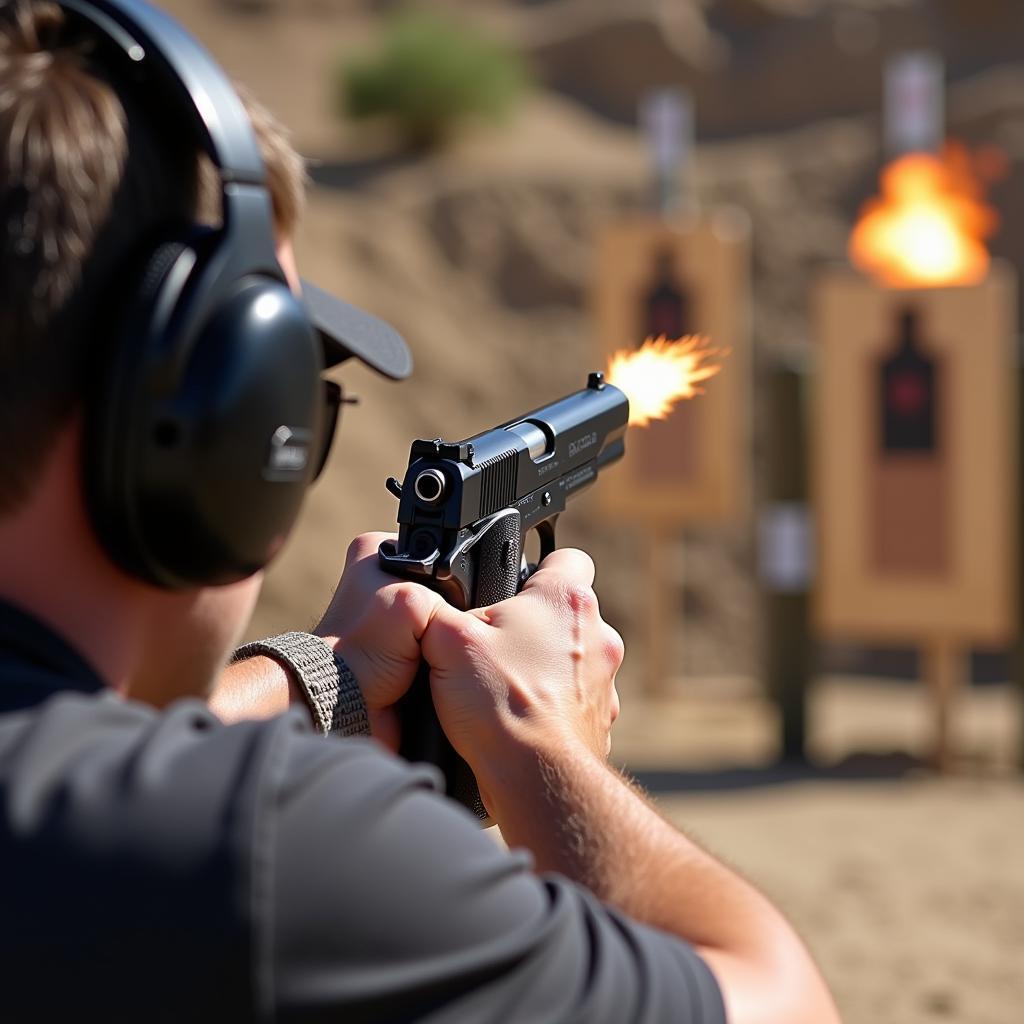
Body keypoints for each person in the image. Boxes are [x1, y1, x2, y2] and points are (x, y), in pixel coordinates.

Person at [0, 2, 841, 1022]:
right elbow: (778, 1000)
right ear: (219, 435)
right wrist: (546, 745)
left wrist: (315, 677)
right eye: (294, 394)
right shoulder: (261, 852)